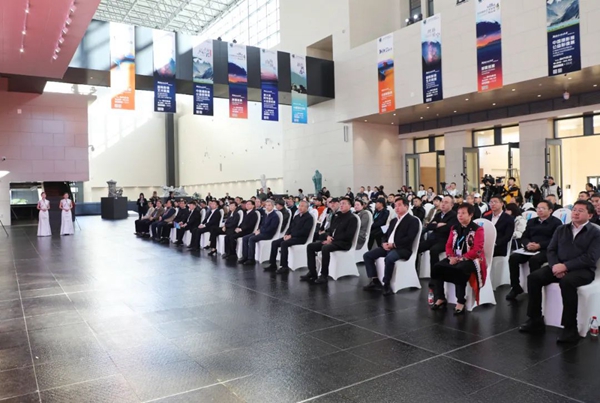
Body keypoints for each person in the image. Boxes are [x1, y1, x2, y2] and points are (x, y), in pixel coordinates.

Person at [519, 201, 600, 344]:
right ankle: (535, 319)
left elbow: (590, 258)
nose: (575, 213)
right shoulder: (561, 229)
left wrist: (566, 266)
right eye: (574, 210)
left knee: (567, 282)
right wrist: (555, 266)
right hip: (558, 266)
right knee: (534, 278)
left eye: (580, 211)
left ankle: (570, 327)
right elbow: (551, 250)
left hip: (583, 270)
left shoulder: (595, 233)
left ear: (590, 215)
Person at [430, 203, 487, 315]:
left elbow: (477, 250)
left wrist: (460, 258)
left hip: (472, 259)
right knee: (437, 267)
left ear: (470, 214)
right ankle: (440, 297)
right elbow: (448, 245)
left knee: (459, 269)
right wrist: (451, 256)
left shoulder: (477, 229)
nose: (460, 215)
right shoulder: (454, 228)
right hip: (455, 257)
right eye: (458, 213)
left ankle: (460, 301)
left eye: (463, 213)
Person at [362, 197, 421, 296]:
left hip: (403, 249)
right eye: (395, 206)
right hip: (388, 247)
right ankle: (375, 280)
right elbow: (386, 235)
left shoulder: (412, 220)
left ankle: (386, 284)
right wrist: (384, 243)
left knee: (389, 258)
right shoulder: (393, 220)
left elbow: (409, 238)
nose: (396, 208)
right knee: (367, 255)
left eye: (399, 205)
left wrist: (394, 245)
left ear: (406, 206)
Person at [505, 200, 562, 300]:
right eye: (538, 208)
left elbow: (556, 240)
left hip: (546, 249)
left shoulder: (556, 222)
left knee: (534, 260)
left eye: (543, 208)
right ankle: (515, 287)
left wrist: (540, 245)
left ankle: (533, 290)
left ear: (550, 210)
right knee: (513, 258)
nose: (539, 210)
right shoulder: (532, 221)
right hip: (530, 248)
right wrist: (527, 244)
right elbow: (524, 236)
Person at [303, 197, 358, 284]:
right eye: (341, 203)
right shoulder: (337, 216)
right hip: (332, 241)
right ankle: (312, 272)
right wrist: (328, 236)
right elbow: (330, 229)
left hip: (343, 243)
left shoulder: (352, 218)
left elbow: (348, 235)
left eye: (344, 203)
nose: (341, 205)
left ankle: (324, 275)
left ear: (350, 205)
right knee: (310, 246)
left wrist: (332, 240)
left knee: (325, 248)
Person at [266, 200, 314, 274]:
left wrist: (291, 235)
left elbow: (304, 231)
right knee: (274, 243)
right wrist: (287, 234)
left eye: (302, 206)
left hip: (301, 238)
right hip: (291, 236)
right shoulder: (297, 216)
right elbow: (291, 227)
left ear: (307, 208)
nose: (300, 208)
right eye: (299, 206)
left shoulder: (309, 218)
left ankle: (284, 266)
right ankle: (273, 264)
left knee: (284, 244)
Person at [418, 195, 458, 273]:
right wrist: (437, 225)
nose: (443, 204)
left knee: (434, 250)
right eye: (442, 202)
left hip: (445, 240)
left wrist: (435, 226)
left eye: (446, 202)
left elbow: (447, 229)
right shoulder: (438, 214)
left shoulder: (454, 216)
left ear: (452, 205)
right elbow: (429, 226)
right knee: (418, 247)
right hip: (434, 238)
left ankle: (435, 275)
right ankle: (416, 271)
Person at [239, 199, 280, 265]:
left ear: (273, 206)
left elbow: (271, 228)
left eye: (269, 205)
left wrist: (261, 231)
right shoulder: (266, 214)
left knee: (251, 239)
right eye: (266, 205)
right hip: (262, 232)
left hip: (268, 234)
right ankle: (245, 256)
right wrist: (259, 230)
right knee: (245, 238)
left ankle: (251, 259)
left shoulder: (274, 216)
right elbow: (262, 224)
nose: (267, 207)